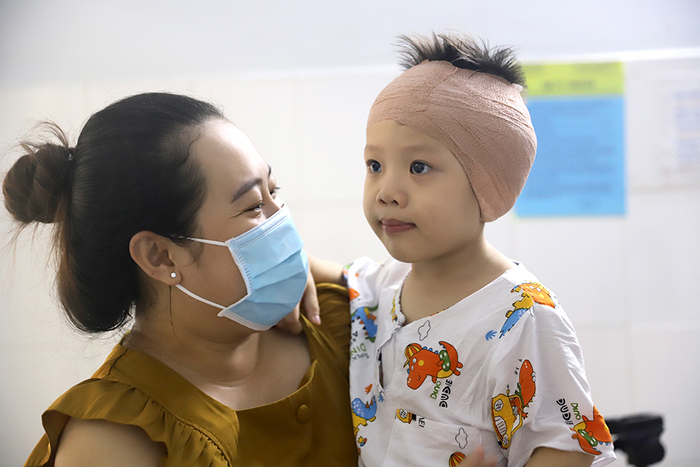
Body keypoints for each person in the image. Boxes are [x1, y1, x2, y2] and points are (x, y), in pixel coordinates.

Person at [3, 92, 357, 466]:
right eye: (254, 206)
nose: (281, 222)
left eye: (274, 191)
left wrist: (306, 269)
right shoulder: (111, 440)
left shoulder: (331, 319)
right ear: (160, 256)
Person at [311, 33, 616, 467]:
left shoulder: (525, 318)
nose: (387, 191)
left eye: (420, 168)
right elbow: (319, 274)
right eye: (374, 165)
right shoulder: (386, 284)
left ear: (488, 188)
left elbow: (567, 447)